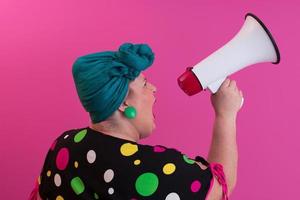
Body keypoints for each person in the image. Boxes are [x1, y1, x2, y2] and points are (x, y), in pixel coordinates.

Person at [29, 43, 243, 200]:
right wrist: (226, 114)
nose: (153, 89)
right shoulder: (157, 168)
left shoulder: (64, 144)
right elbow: (219, 187)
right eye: (145, 84)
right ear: (123, 103)